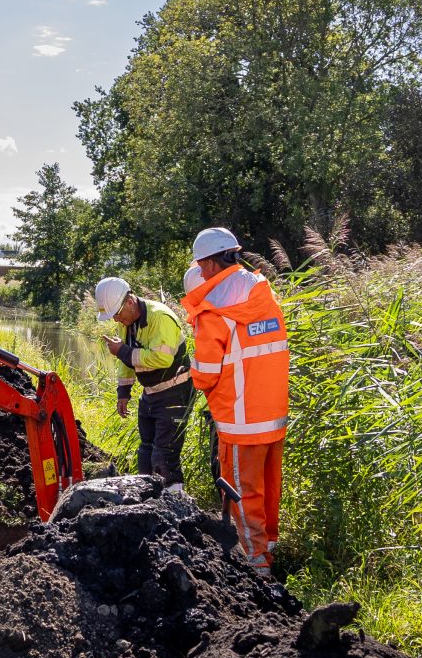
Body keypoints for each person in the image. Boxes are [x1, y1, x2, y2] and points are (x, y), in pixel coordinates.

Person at [181, 225, 288, 570]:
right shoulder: (263, 295)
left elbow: (206, 374)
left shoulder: (214, 310)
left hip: (240, 419)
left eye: (200, 266)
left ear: (210, 264)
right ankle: (268, 548)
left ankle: (255, 565)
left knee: (242, 492)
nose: (200, 272)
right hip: (272, 414)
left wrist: (196, 372)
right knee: (268, 487)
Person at [91, 275, 191, 485]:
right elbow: (128, 359)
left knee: (164, 456)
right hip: (151, 393)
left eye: (116, 314)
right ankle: (149, 502)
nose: (116, 320)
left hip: (174, 393)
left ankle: (175, 503)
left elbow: (161, 359)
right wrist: (123, 392)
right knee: (145, 452)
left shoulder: (159, 317)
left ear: (129, 302)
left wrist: (123, 351)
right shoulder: (128, 321)